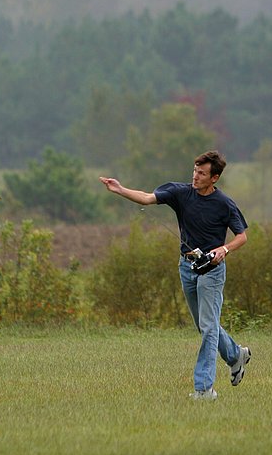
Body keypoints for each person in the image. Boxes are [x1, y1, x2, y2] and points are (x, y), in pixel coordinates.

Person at [99, 150, 250, 400]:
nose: (195, 176)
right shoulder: (180, 192)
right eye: (194, 171)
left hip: (212, 271)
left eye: (202, 173)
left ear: (215, 178)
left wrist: (224, 249)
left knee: (209, 327)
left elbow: (242, 237)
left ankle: (204, 389)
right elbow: (147, 198)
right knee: (204, 326)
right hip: (187, 268)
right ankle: (235, 355)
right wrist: (120, 190)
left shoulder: (225, 204)